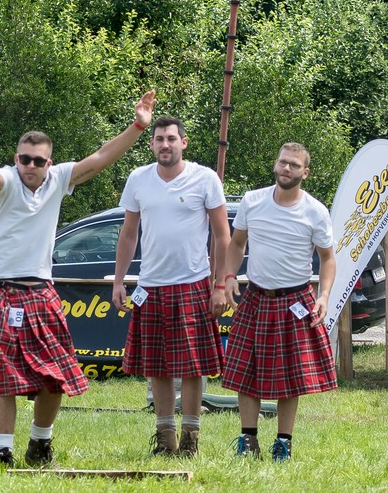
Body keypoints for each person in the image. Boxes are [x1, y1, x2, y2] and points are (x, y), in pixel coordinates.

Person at [0, 90, 156, 466]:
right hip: (1, 292)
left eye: (38, 161)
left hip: (40, 291)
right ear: (16, 158)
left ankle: (40, 444)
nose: (30, 166)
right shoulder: (6, 181)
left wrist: (138, 125)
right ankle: (2, 450)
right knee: (3, 378)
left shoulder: (58, 179)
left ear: (48, 162)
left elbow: (100, 159)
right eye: (24, 159)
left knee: (55, 376)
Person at [113, 115, 229, 458]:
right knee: (156, 365)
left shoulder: (205, 179)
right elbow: (129, 233)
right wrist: (119, 281)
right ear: (152, 144)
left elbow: (223, 235)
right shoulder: (138, 179)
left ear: (183, 142)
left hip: (193, 283)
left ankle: (191, 436)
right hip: (150, 285)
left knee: (193, 365)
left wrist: (219, 284)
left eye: (171, 138)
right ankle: (165, 437)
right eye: (159, 139)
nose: (165, 144)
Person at [220, 143, 336, 462]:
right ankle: (248, 440)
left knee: (291, 376)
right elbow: (236, 242)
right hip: (257, 295)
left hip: (295, 298)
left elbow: (327, 259)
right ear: (276, 164)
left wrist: (323, 295)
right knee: (246, 372)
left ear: (305, 173)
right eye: (283, 163)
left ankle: (283, 442)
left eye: (294, 165)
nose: (286, 169)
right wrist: (229, 276)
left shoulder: (315, 211)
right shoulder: (252, 200)